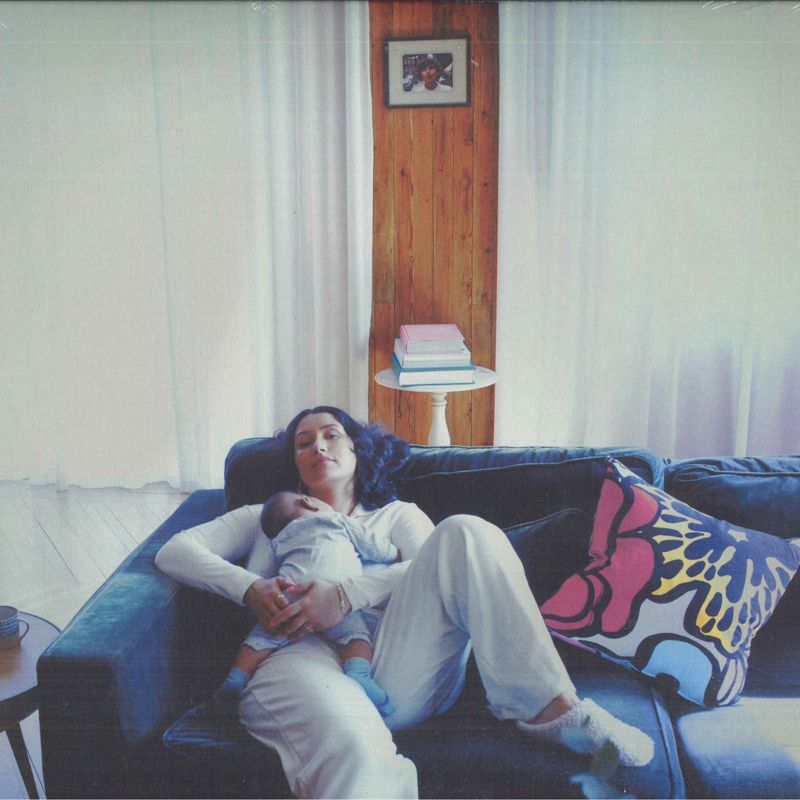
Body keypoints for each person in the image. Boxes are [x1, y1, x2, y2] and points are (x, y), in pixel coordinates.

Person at [156, 405, 654, 799]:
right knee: (358, 753)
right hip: (293, 655)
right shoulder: (267, 516)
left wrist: (345, 596)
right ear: (296, 466)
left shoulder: (396, 517)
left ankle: (554, 710)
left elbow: (433, 568)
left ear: (356, 448)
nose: (318, 446)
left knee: (466, 532)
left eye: (331, 435)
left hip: (394, 662)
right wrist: (250, 586)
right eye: (304, 442)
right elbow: (175, 551)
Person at [213, 489, 397, 717]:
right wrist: (393, 552)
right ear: (309, 502)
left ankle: (236, 677)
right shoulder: (335, 519)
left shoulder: (278, 541)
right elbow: (375, 547)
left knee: (262, 637)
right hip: (334, 597)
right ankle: (359, 673)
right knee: (356, 636)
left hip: (290, 593)